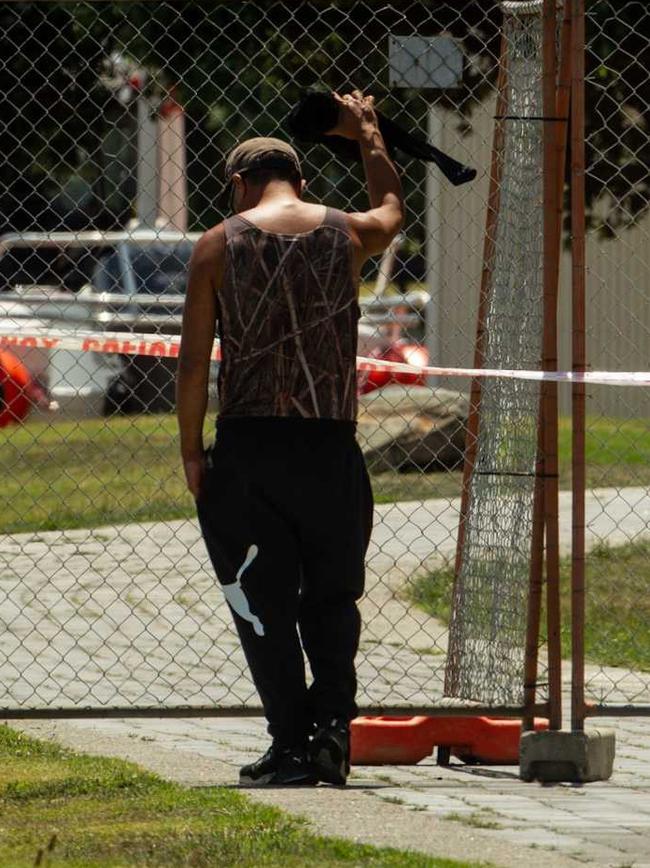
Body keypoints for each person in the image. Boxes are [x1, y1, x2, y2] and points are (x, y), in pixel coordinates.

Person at [176, 89, 404, 786]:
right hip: (329, 443)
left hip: (250, 448)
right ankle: (334, 729)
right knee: (332, 596)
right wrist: (368, 134)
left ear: (239, 185)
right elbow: (394, 211)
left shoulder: (219, 243)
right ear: (300, 180)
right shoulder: (347, 233)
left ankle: (288, 745)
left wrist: (191, 451)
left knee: (260, 598)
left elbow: (193, 361)